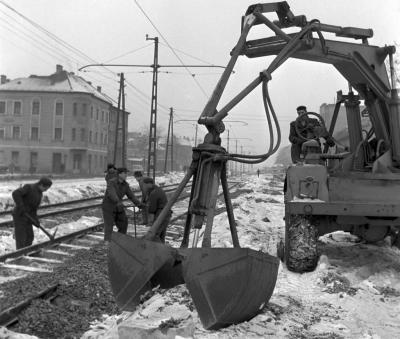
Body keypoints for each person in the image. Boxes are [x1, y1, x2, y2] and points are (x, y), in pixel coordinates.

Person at [102, 167, 144, 241]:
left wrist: (139, 204)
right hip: (109, 207)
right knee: (109, 225)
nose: (126, 175)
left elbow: (131, 196)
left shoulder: (125, 185)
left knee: (124, 223)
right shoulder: (111, 182)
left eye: (126, 173)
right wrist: (118, 202)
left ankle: (119, 240)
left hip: (118, 206)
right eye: (125, 173)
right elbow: (112, 194)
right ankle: (107, 242)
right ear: (119, 174)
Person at [11, 177, 53, 249]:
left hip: (28, 217)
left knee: (30, 237)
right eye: (45, 188)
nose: (45, 191)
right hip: (20, 215)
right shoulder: (29, 187)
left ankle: (26, 252)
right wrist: (21, 206)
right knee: (21, 238)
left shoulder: (40, 194)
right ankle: (20, 255)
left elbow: (34, 209)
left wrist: (36, 220)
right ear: (41, 184)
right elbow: (16, 193)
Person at [142, 177, 172, 243]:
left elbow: (152, 209)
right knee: (161, 234)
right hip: (165, 214)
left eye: (144, 185)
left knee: (155, 234)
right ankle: (162, 249)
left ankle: (156, 250)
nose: (143, 186)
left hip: (161, 215)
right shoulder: (157, 189)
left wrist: (151, 222)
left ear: (149, 184)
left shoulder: (154, 193)